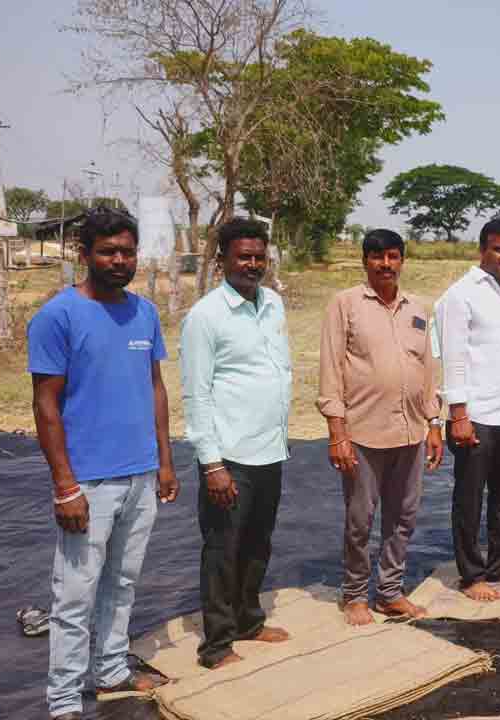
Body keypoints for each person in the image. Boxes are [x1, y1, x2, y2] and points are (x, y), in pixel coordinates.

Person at [30, 207, 176, 720]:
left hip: (140, 475)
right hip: (87, 482)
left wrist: (164, 460)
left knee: (124, 582)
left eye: (128, 251)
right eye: (108, 251)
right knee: (73, 597)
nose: (120, 260)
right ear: (84, 254)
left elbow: (154, 387)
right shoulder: (58, 316)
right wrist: (64, 486)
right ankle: (65, 699)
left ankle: (111, 669)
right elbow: (46, 404)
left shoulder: (144, 313)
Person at [181, 218, 293, 669]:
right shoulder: (205, 316)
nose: (252, 264)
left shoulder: (274, 304)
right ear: (222, 260)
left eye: (259, 257)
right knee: (222, 550)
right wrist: (212, 464)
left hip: (270, 449)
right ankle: (216, 644)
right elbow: (197, 394)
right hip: (229, 456)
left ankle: (249, 620)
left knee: (257, 544)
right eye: (243, 256)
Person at [317, 229, 445, 625]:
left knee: (404, 516)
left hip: (411, 433)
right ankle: (355, 594)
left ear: (402, 260)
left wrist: (434, 422)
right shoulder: (346, 304)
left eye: (392, 256)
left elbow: (429, 369)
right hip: (363, 433)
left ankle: (390, 591)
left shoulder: (420, 308)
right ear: (365, 261)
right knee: (361, 519)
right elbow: (331, 369)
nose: (385, 264)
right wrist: (338, 433)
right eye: (377, 257)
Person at [436, 217, 500, 602]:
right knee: (470, 497)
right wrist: (458, 414)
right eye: (499, 249)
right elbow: (454, 357)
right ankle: (472, 574)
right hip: (476, 414)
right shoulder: (461, 295)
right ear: (482, 250)